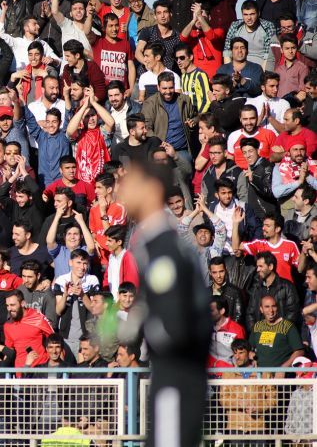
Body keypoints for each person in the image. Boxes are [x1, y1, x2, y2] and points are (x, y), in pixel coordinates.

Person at [118, 159, 211, 447]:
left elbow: (175, 327)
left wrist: (136, 324)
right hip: (173, 378)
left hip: (176, 382)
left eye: (130, 183)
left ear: (151, 190)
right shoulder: (156, 245)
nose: (121, 191)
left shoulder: (164, 251)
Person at [244, 251, 300, 332]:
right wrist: (255, 332)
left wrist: (278, 332)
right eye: (257, 266)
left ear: (270, 266)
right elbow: (250, 313)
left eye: (261, 266)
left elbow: (293, 313)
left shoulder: (287, 287)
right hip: (260, 335)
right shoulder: (256, 288)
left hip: (281, 335)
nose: (257, 269)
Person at [249, 295, 305, 374]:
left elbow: (299, 351)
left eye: (273, 306)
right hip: (260, 376)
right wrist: (252, 356)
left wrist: (283, 369)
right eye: (267, 307)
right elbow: (249, 348)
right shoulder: (257, 326)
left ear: (277, 307)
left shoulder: (287, 326)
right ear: (261, 309)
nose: (271, 310)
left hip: (281, 377)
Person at [3, 289, 54, 369]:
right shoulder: (7, 325)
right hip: (21, 370)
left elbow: (54, 340)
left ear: (23, 303)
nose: (9, 309)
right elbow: (9, 350)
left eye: (12, 305)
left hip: (40, 368)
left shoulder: (37, 317)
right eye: (7, 305)